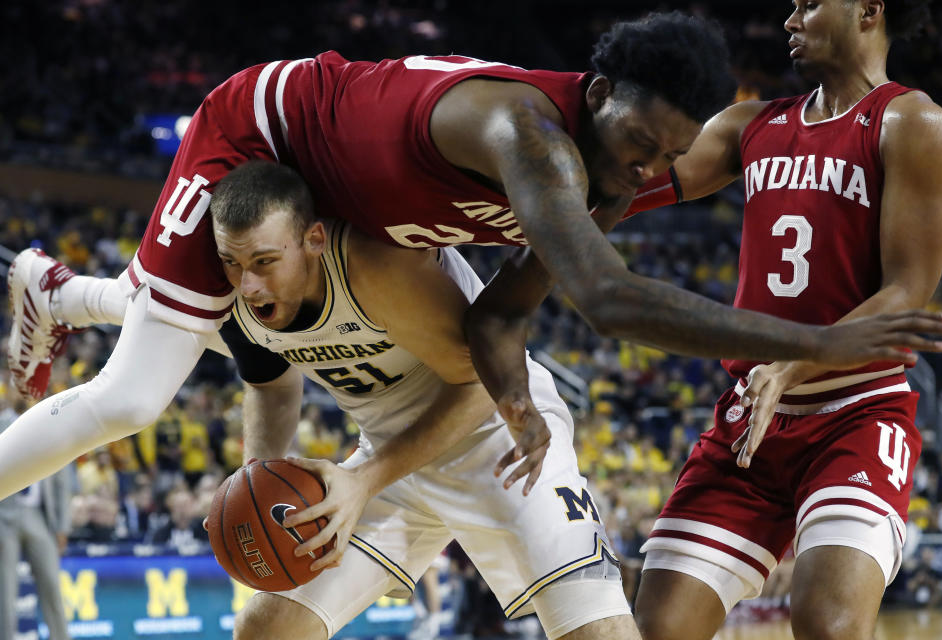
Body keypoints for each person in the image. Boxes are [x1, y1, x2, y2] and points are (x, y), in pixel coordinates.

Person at [1, 11, 942, 503]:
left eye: (670, 154)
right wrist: (813, 342)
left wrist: (509, 400)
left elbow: (500, 314)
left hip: (353, 190)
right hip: (264, 134)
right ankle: (59, 297)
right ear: (599, 89)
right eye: (644, 144)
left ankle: (54, 287)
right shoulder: (530, 138)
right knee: (134, 398)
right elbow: (609, 302)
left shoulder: (620, 158)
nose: (650, 170)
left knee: (219, 312)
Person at [623, 2, 942, 640]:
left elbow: (906, 295)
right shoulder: (751, 124)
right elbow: (633, 179)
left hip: (857, 414)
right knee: (658, 629)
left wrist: (792, 367)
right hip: (749, 420)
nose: (789, 18)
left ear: (867, 10)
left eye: (807, 3)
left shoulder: (914, 123)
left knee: (827, 625)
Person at [210, 161, 638, 640]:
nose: (247, 284)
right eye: (232, 263)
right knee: (267, 629)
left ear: (312, 239)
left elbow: (483, 383)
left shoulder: (376, 264)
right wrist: (252, 483)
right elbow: (271, 384)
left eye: (264, 262)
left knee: (596, 630)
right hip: (392, 459)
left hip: (499, 439)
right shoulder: (231, 296)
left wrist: (366, 480)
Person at [0, 401, 73, 640]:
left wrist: (62, 526)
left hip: (39, 516)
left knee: (52, 584)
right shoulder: (1, 423)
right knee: (4, 590)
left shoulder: (50, 422)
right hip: (4, 514)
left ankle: (60, 636)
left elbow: (62, 480)